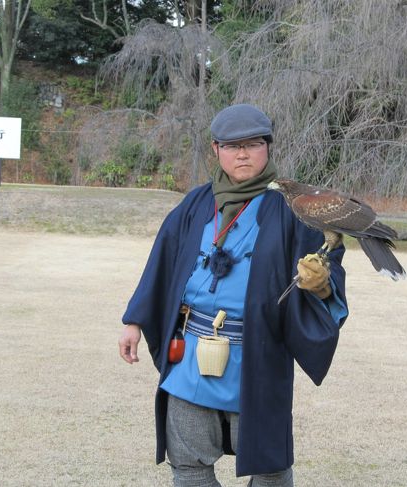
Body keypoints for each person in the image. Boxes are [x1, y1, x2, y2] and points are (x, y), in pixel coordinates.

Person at [118, 103, 348, 487]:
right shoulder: (194, 204)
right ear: (216, 150)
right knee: (188, 464)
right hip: (190, 356)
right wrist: (134, 321)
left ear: (268, 148)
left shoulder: (292, 208)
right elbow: (161, 261)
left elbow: (328, 268)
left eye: (253, 144)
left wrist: (321, 283)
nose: (242, 154)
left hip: (257, 357)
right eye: (232, 145)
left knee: (271, 470)